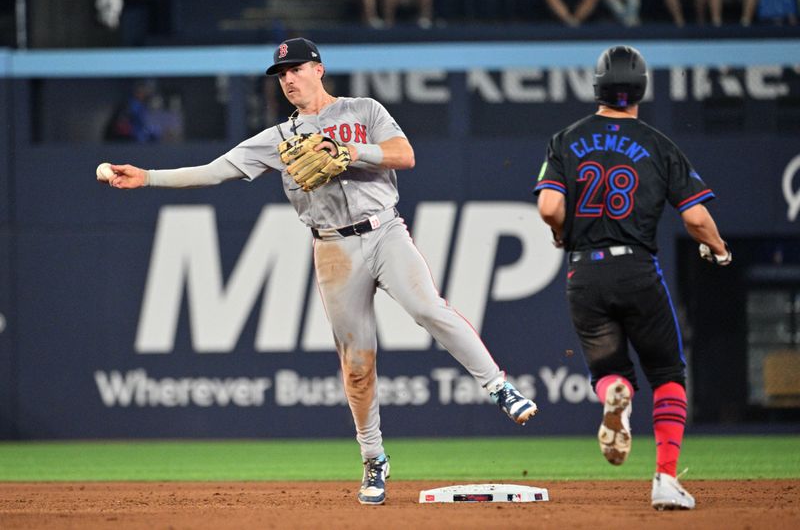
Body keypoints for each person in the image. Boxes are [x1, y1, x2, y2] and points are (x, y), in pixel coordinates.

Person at [102, 37, 537, 506]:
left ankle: (500, 387)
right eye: (280, 74)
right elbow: (215, 170)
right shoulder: (278, 138)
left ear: (318, 69)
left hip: (384, 230)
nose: (287, 79)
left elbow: (403, 154)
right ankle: (374, 461)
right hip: (332, 248)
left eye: (295, 69)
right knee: (357, 364)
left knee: (427, 307)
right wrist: (147, 176)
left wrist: (353, 154)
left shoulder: (363, 110)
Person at [534, 45, 731, 510]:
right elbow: (697, 219)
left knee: (607, 369)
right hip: (637, 269)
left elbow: (548, 207)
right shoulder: (658, 144)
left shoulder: (566, 138)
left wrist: (564, 232)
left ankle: (614, 394)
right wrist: (719, 248)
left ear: (597, 85)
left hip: (584, 271)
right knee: (667, 373)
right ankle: (665, 478)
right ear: (640, 87)